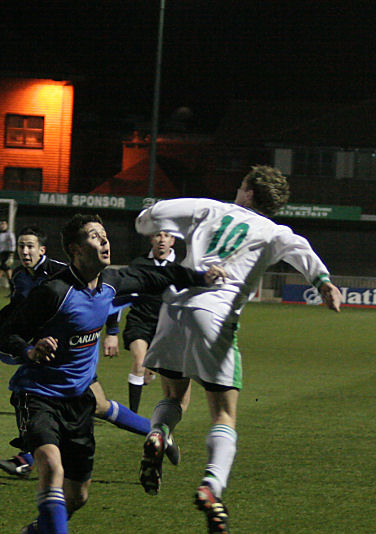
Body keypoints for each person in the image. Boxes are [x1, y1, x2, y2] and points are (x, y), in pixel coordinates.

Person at [135, 165, 342, 534]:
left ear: (248, 191)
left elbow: (150, 219)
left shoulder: (209, 209)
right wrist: (322, 281)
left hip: (175, 307)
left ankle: (158, 433)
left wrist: (150, 218)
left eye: (242, 185)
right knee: (224, 414)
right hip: (215, 313)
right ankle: (211, 487)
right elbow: (301, 250)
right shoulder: (274, 230)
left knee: (173, 394)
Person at [0, 214, 226, 534]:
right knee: (51, 466)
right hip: (37, 395)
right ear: (76, 249)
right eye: (95, 236)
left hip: (80, 401)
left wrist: (201, 277)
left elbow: (160, 276)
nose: (105, 241)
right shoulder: (53, 292)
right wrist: (30, 351)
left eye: (104, 235)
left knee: (78, 497)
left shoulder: (111, 284)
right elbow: (8, 336)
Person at [0, 226, 160, 479]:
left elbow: (105, 296)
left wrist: (112, 331)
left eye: (30, 246)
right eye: (21, 246)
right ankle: (157, 432)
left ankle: (27, 457)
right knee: (99, 406)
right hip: (44, 352)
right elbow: (18, 306)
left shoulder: (61, 273)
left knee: (37, 397)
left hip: (70, 354)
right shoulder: (21, 276)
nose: (25, 251)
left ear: (42, 249)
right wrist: (0, 323)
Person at [123, 230, 192, 414]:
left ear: (173, 240)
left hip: (168, 326)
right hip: (140, 320)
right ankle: (133, 415)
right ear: (151, 238)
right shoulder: (139, 264)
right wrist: (112, 332)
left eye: (167, 235)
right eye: (158, 235)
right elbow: (123, 295)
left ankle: (165, 412)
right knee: (139, 362)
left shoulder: (182, 266)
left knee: (166, 374)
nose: (162, 239)